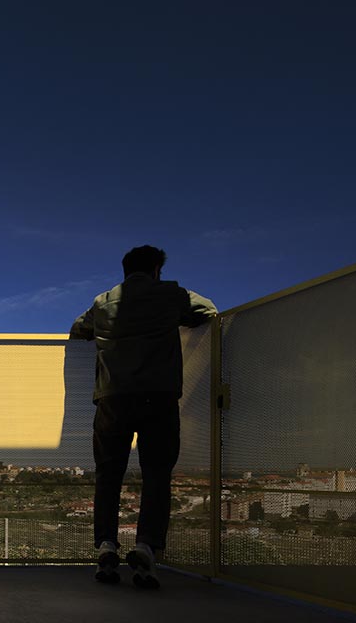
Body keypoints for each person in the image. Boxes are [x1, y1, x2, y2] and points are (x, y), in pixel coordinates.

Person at [69, 245, 216, 587]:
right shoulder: (169, 294)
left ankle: (106, 545)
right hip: (158, 395)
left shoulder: (102, 303)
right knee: (156, 474)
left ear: (125, 271)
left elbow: (79, 329)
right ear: (155, 270)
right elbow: (209, 311)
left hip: (112, 398)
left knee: (108, 475)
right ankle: (147, 547)